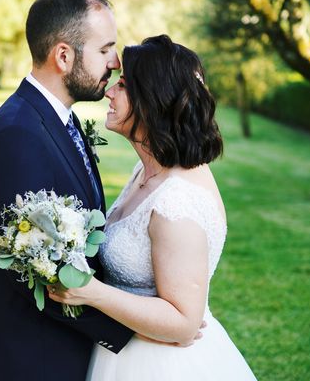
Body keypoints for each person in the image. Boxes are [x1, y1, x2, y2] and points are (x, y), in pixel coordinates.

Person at [48, 34, 258, 380]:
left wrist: (91, 292)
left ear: (153, 101)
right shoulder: (147, 171)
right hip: (120, 351)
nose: (109, 92)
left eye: (124, 85)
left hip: (161, 366)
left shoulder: (178, 202)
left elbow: (184, 324)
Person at [0, 0, 136, 381]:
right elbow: (34, 271)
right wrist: (135, 330)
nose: (116, 61)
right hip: (27, 360)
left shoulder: (59, 120)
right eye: (106, 49)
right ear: (63, 55)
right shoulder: (17, 135)